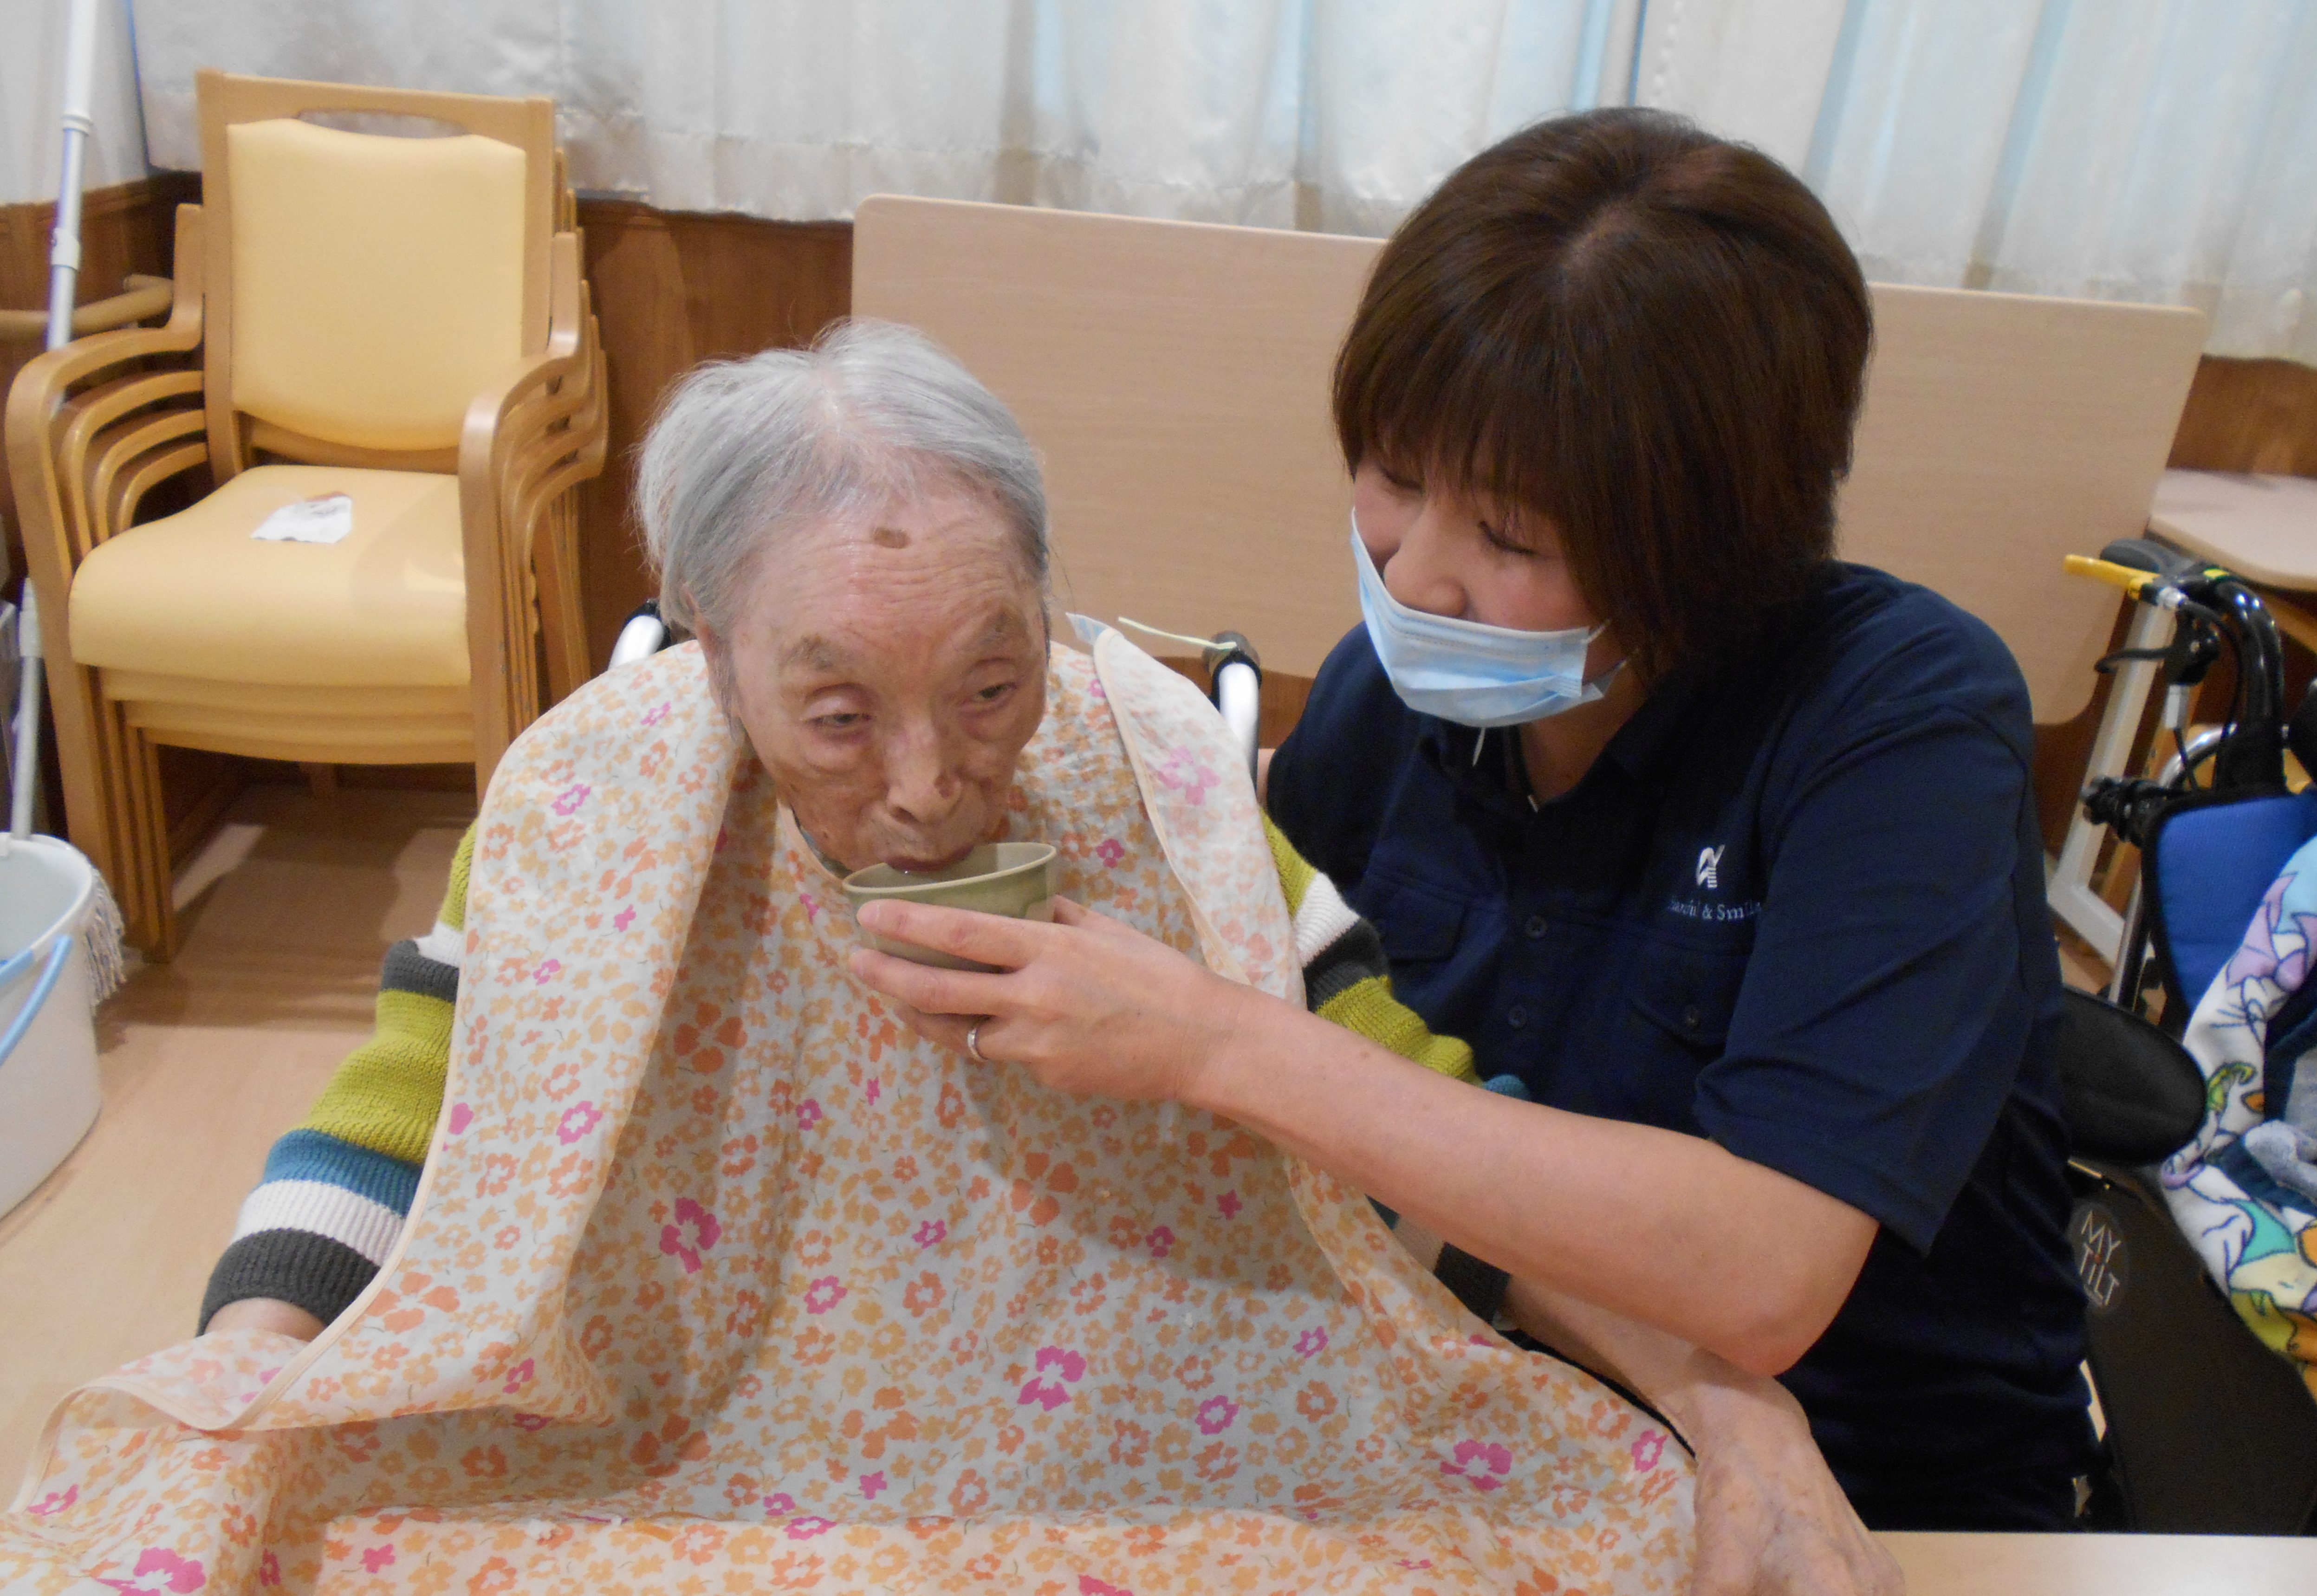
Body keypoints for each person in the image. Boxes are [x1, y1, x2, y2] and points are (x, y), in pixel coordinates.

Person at [171, 322, 1885, 1593]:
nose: (924, 787)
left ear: (1054, 611)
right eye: (833, 711)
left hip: (1141, 1461)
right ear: (710, 651)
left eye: (993, 688)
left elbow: (1415, 1134)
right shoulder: (589, 807)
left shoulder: (1166, 783)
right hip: (690, 1460)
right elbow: (405, 1123)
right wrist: (246, 1359)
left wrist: (1727, 1406)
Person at [850, 108, 2097, 1534]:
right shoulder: (1394, 703)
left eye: (1511, 537)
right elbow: (1394, 1163)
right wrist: (1694, 1390)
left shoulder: (1899, 722)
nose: (1418, 576)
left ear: (1705, 546)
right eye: (1392, 471)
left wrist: (1214, 1037)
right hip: (1508, 1412)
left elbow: (1762, 1271)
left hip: (1889, 1497)